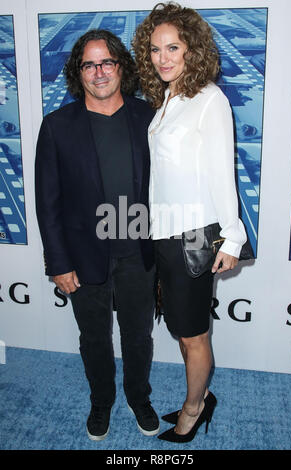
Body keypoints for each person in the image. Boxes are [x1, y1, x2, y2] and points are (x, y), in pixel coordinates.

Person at [35, 29, 159, 441]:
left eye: (107, 61)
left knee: (139, 334)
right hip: (83, 254)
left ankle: (138, 396)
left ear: (121, 67)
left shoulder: (150, 117)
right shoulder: (56, 126)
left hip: (139, 249)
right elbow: (47, 203)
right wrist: (58, 262)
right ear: (79, 72)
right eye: (89, 64)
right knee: (93, 337)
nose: (99, 71)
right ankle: (101, 400)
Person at [133, 2, 247, 443]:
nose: (163, 57)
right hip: (165, 234)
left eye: (173, 47)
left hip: (194, 236)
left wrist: (232, 237)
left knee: (194, 335)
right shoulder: (166, 100)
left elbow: (223, 172)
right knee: (182, 332)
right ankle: (196, 398)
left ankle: (195, 408)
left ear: (192, 49)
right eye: (156, 49)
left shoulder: (208, 100)